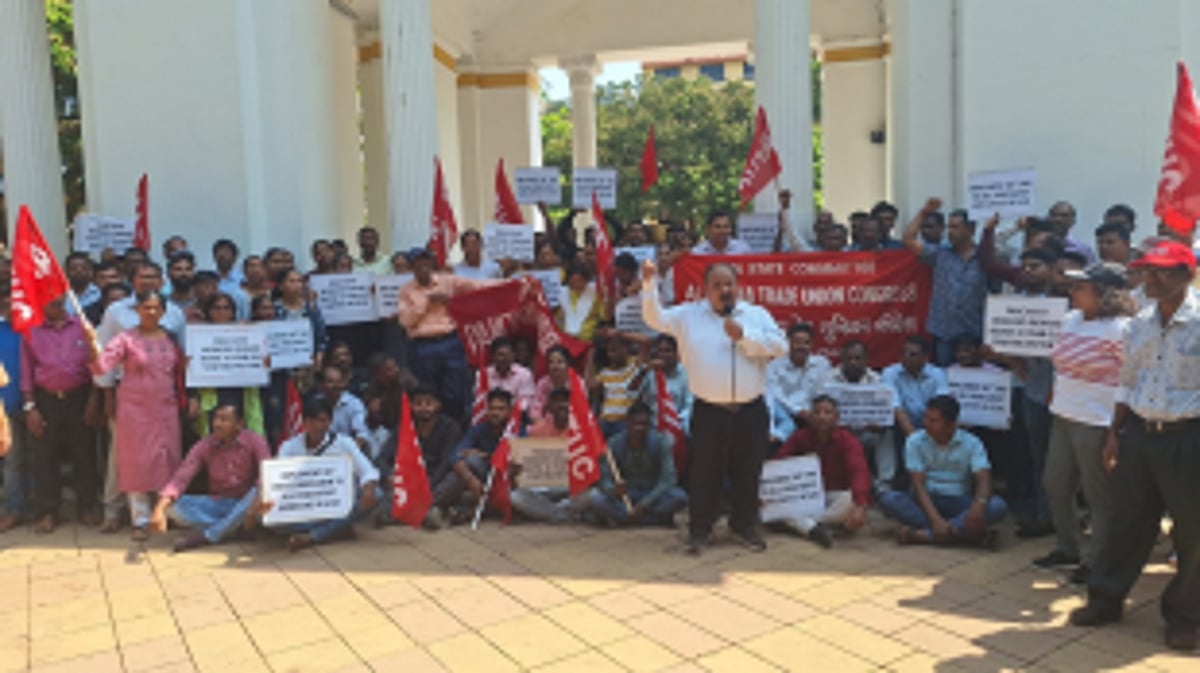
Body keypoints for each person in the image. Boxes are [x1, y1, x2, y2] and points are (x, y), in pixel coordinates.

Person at [1070, 240, 1200, 651]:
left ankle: (1184, 616)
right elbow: (1128, 381)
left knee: (1193, 535)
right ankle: (1106, 598)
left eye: (1163, 271)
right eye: (1147, 271)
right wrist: (1114, 433)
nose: (1153, 279)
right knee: (1126, 523)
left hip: (1189, 438)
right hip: (1139, 435)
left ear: (1187, 274)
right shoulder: (1139, 323)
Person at [641, 259, 787, 555]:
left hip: (750, 409)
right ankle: (700, 529)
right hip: (709, 410)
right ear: (705, 290)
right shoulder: (688, 315)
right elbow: (654, 318)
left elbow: (780, 346)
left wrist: (745, 337)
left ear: (738, 286)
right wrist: (648, 284)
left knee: (749, 471)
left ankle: (743, 526)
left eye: (729, 284)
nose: (724, 290)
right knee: (705, 472)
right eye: (717, 285)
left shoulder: (756, 315)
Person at [1034, 263, 1134, 586]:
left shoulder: (1122, 329)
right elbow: (1059, 365)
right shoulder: (1069, 320)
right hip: (1063, 413)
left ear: (1104, 293)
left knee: (1097, 496)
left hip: (1097, 420)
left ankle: (1098, 561)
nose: (1071, 291)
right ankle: (1067, 548)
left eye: (1081, 287)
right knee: (1055, 484)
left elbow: (1131, 380)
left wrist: (1115, 430)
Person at [87, 290, 187, 542]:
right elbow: (102, 366)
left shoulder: (172, 339)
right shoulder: (126, 339)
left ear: (163, 312)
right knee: (136, 462)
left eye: (155, 308)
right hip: (134, 409)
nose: (151, 312)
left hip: (166, 407)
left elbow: (186, 370)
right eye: (145, 308)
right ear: (137, 311)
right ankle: (139, 520)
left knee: (166, 459)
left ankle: (161, 513)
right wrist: (91, 343)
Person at [878, 395, 1008, 547]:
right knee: (888, 499)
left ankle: (925, 536)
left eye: (933, 420)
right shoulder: (915, 441)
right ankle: (965, 535)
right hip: (926, 500)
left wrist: (978, 506)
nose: (926, 423)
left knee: (997, 506)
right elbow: (918, 485)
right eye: (926, 418)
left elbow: (984, 479)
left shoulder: (972, 443)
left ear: (952, 425)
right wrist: (935, 520)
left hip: (959, 500)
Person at [254, 397, 381, 552]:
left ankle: (314, 536)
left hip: (336, 506)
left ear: (330, 421)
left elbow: (368, 471)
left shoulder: (344, 443)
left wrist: (368, 490)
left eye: (323, 421)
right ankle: (336, 528)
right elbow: (277, 481)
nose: (318, 426)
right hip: (302, 509)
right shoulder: (289, 447)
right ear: (305, 423)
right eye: (312, 421)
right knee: (263, 516)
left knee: (378, 494)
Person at [21, 295, 99, 533]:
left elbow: (96, 364)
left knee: (84, 453)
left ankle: (86, 506)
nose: (54, 304)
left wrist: (93, 401)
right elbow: (26, 372)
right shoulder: (32, 331)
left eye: (58, 299)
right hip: (46, 399)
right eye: (49, 300)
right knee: (45, 456)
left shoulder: (83, 327)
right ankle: (48, 512)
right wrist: (30, 408)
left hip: (80, 396)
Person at [150, 404, 270, 552]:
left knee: (259, 490)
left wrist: (253, 505)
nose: (217, 424)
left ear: (239, 424)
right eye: (215, 419)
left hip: (249, 506)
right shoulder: (205, 445)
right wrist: (159, 509)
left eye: (224, 419)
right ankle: (232, 529)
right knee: (173, 507)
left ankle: (210, 536)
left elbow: (266, 476)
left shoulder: (255, 441)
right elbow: (180, 479)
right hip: (219, 504)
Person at [397, 248, 490, 423]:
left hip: (450, 342)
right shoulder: (405, 291)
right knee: (428, 392)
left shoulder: (448, 281)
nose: (423, 268)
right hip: (423, 346)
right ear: (412, 268)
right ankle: (432, 430)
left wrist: (512, 282)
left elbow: (478, 286)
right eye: (418, 265)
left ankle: (453, 428)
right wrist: (426, 302)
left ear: (432, 264)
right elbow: (406, 321)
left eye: (426, 263)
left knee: (455, 392)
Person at [770, 396, 872, 548]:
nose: (822, 417)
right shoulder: (800, 437)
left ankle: (805, 525)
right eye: (817, 412)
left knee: (854, 500)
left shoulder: (848, 441)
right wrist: (766, 491)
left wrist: (861, 508)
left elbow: (859, 472)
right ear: (810, 417)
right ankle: (816, 529)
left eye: (827, 413)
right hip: (805, 496)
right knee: (774, 504)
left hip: (834, 495)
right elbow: (778, 463)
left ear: (836, 418)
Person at [903, 199, 988, 366]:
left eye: (955, 227)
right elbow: (908, 239)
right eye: (949, 227)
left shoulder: (985, 257)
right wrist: (924, 213)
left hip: (974, 330)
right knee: (944, 377)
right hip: (944, 331)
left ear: (970, 229)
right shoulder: (940, 253)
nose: (950, 231)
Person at [589, 401, 687, 527]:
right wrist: (613, 490)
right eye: (635, 424)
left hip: (652, 494)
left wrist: (645, 504)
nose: (639, 429)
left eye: (644, 425)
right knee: (597, 500)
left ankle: (627, 519)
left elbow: (668, 480)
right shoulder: (614, 444)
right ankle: (651, 521)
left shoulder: (661, 442)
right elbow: (605, 477)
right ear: (627, 424)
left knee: (679, 497)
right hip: (625, 496)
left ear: (649, 425)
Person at [378, 384, 459, 529]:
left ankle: (422, 510)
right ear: (411, 406)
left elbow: (446, 462)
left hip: (435, 481)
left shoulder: (450, 427)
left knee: (456, 476)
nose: (423, 408)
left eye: (428, 403)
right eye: (418, 404)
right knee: (381, 511)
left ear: (438, 405)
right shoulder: (403, 427)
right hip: (409, 481)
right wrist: (389, 475)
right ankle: (429, 513)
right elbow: (382, 458)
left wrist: (426, 486)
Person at [430, 389, 518, 521]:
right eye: (492, 409)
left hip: (509, 479)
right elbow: (455, 456)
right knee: (466, 465)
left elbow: (520, 460)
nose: (495, 413)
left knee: (472, 461)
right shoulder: (479, 429)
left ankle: (448, 509)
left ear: (509, 411)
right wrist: (470, 480)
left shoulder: (518, 430)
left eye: (501, 409)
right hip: (482, 477)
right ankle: (432, 505)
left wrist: (488, 455)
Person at [823, 340, 895, 487]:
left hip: (867, 432)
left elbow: (885, 413)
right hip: (837, 433)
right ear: (841, 360)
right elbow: (819, 410)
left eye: (858, 358)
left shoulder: (877, 380)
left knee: (886, 435)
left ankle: (884, 482)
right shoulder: (827, 380)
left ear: (867, 360)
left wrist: (879, 425)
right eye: (848, 359)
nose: (853, 363)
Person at [191, 293, 265, 438]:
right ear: (209, 312)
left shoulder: (247, 333)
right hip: (212, 393)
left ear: (232, 312)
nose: (221, 312)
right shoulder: (197, 336)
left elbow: (257, 361)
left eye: (226, 308)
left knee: (243, 434)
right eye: (217, 308)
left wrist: (262, 361)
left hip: (241, 391)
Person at [882, 336, 949, 483]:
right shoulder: (890, 373)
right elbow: (896, 407)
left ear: (925, 357)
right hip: (902, 424)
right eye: (903, 353)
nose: (906, 358)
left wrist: (927, 435)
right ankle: (895, 476)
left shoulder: (937, 374)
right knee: (889, 429)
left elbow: (940, 407)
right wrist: (915, 439)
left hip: (931, 423)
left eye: (912, 354)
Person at [766, 323, 832, 442]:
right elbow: (776, 395)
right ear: (788, 343)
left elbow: (822, 392)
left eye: (806, 343)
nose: (801, 347)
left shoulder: (822, 364)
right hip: (784, 413)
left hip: (812, 414)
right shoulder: (774, 366)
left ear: (812, 345)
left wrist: (811, 412)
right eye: (797, 342)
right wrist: (797, 411)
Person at [0, 293, 29, 534]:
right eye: (8, 305)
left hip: (35, 405)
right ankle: (14, 510)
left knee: (41, 459)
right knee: (13, 461)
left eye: (16, 305)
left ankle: (43, 508)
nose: (13, 309)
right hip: (5, 406)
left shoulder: (34, 330)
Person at [638, 334, 694, 433]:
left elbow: (689, 406)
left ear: (676, 354)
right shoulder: (650, 372)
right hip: (652, 427)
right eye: (660, 351)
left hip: (677, 425)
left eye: (667, 351)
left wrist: (673, 422)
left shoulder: (686, 373)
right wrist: (644, 371)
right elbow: (631, 395)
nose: (663, 355)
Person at [592, 334, 642, 438]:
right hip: (605, 420)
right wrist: (590, 357)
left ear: (625, 349)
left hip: (625, 421)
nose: (610, 355)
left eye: (614, 350)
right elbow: (591, 387)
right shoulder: (606, 372)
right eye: (608, 351)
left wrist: (618, 332)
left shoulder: (635, 364)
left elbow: (646, 341)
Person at [318, 365, 371, 451]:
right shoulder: (315, 403)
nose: (336, 385)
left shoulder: (354, 404)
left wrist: (348, 454)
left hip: (348, 453)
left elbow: (362, 435)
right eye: (331, 382)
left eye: (339, 382)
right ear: (321, 385)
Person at [485, 336, 536, 414]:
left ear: (513, 355)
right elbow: (481, 401)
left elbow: (526, 402)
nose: (505, 358)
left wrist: (506, 412)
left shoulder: (524, 374)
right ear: (493, 357)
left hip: (516, 418)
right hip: (490, 417)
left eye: (508, 354)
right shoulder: (483, 375)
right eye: (500, 355)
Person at [557, 263, 603, 342]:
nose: (576, 284)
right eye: (573, 281)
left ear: (586, 279)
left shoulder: (595, 292)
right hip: (566, 339)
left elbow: (604, 316)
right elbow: (558, 320)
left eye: (579, 280)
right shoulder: (562, 293)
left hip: (589, 339)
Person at [531, 345, 573, 420]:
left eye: (560, 362)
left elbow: (581, 411)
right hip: (546, 424)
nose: (555, 366)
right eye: (551, 362)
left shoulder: (577, 384)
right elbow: (535, 410)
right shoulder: (543, 383)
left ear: (568, 364)